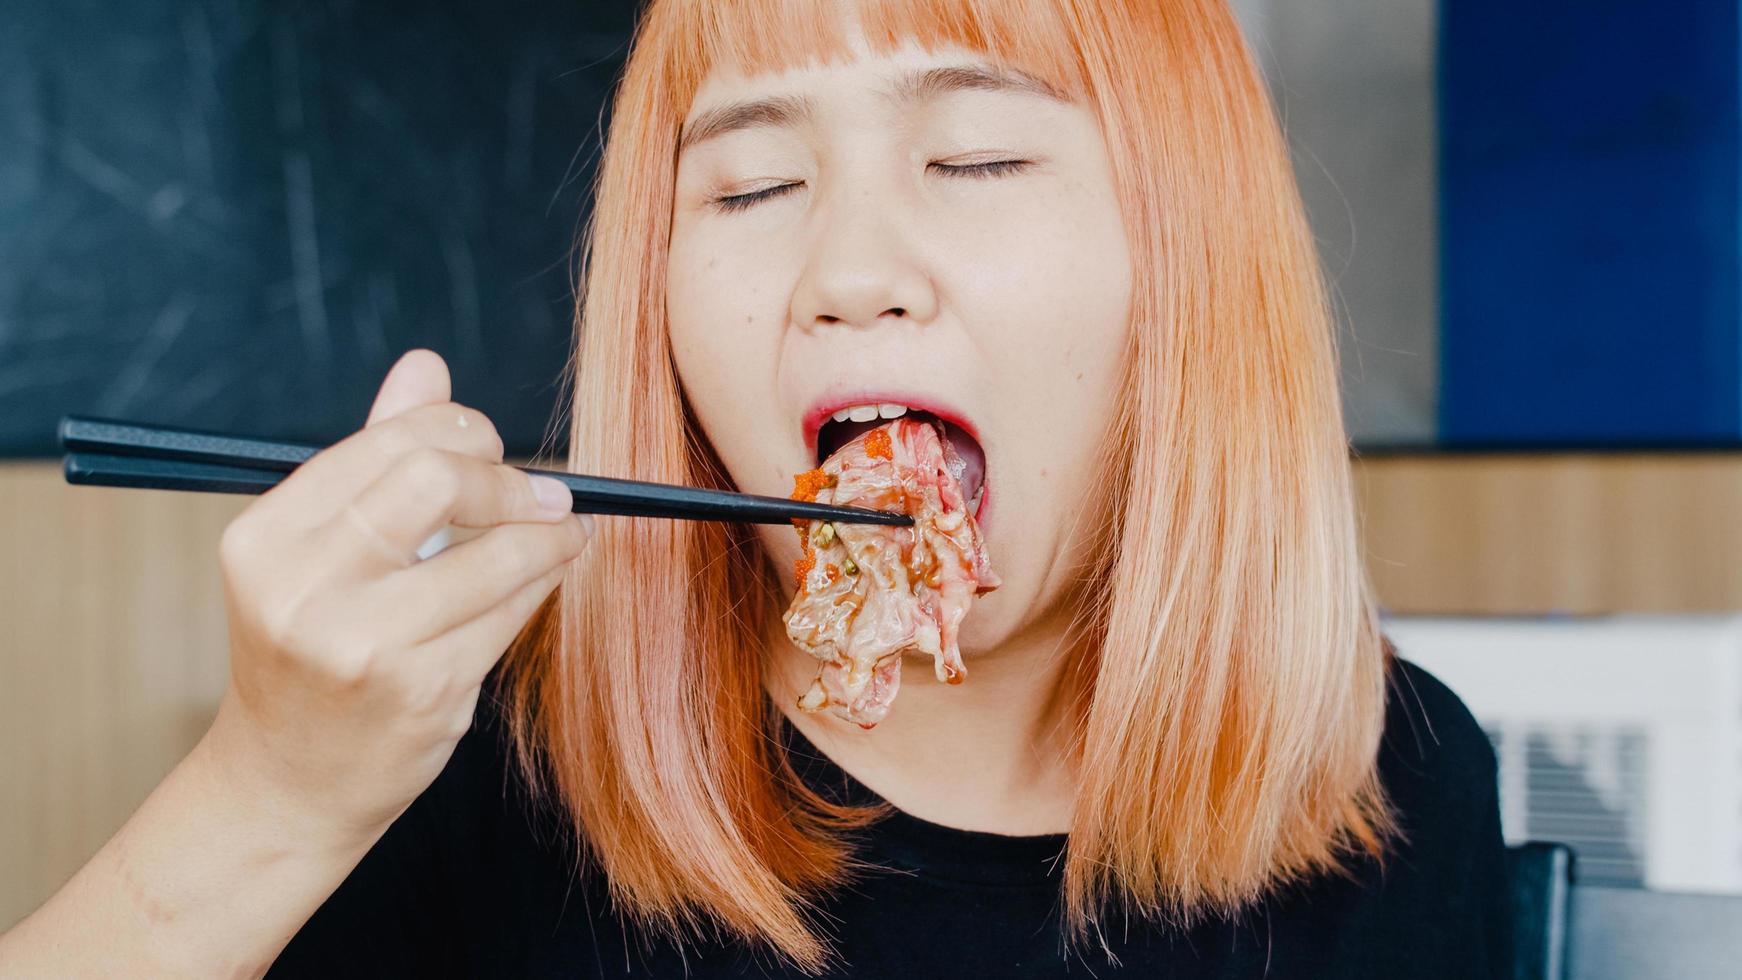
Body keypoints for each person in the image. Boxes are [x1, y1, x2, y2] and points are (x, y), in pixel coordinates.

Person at [0, 0, 1512, 976]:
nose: (845, 276)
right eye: (749, 188)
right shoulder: (481, 766)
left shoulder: (1395, 775)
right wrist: (266, 797)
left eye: (976, 157)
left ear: (1194, 269)